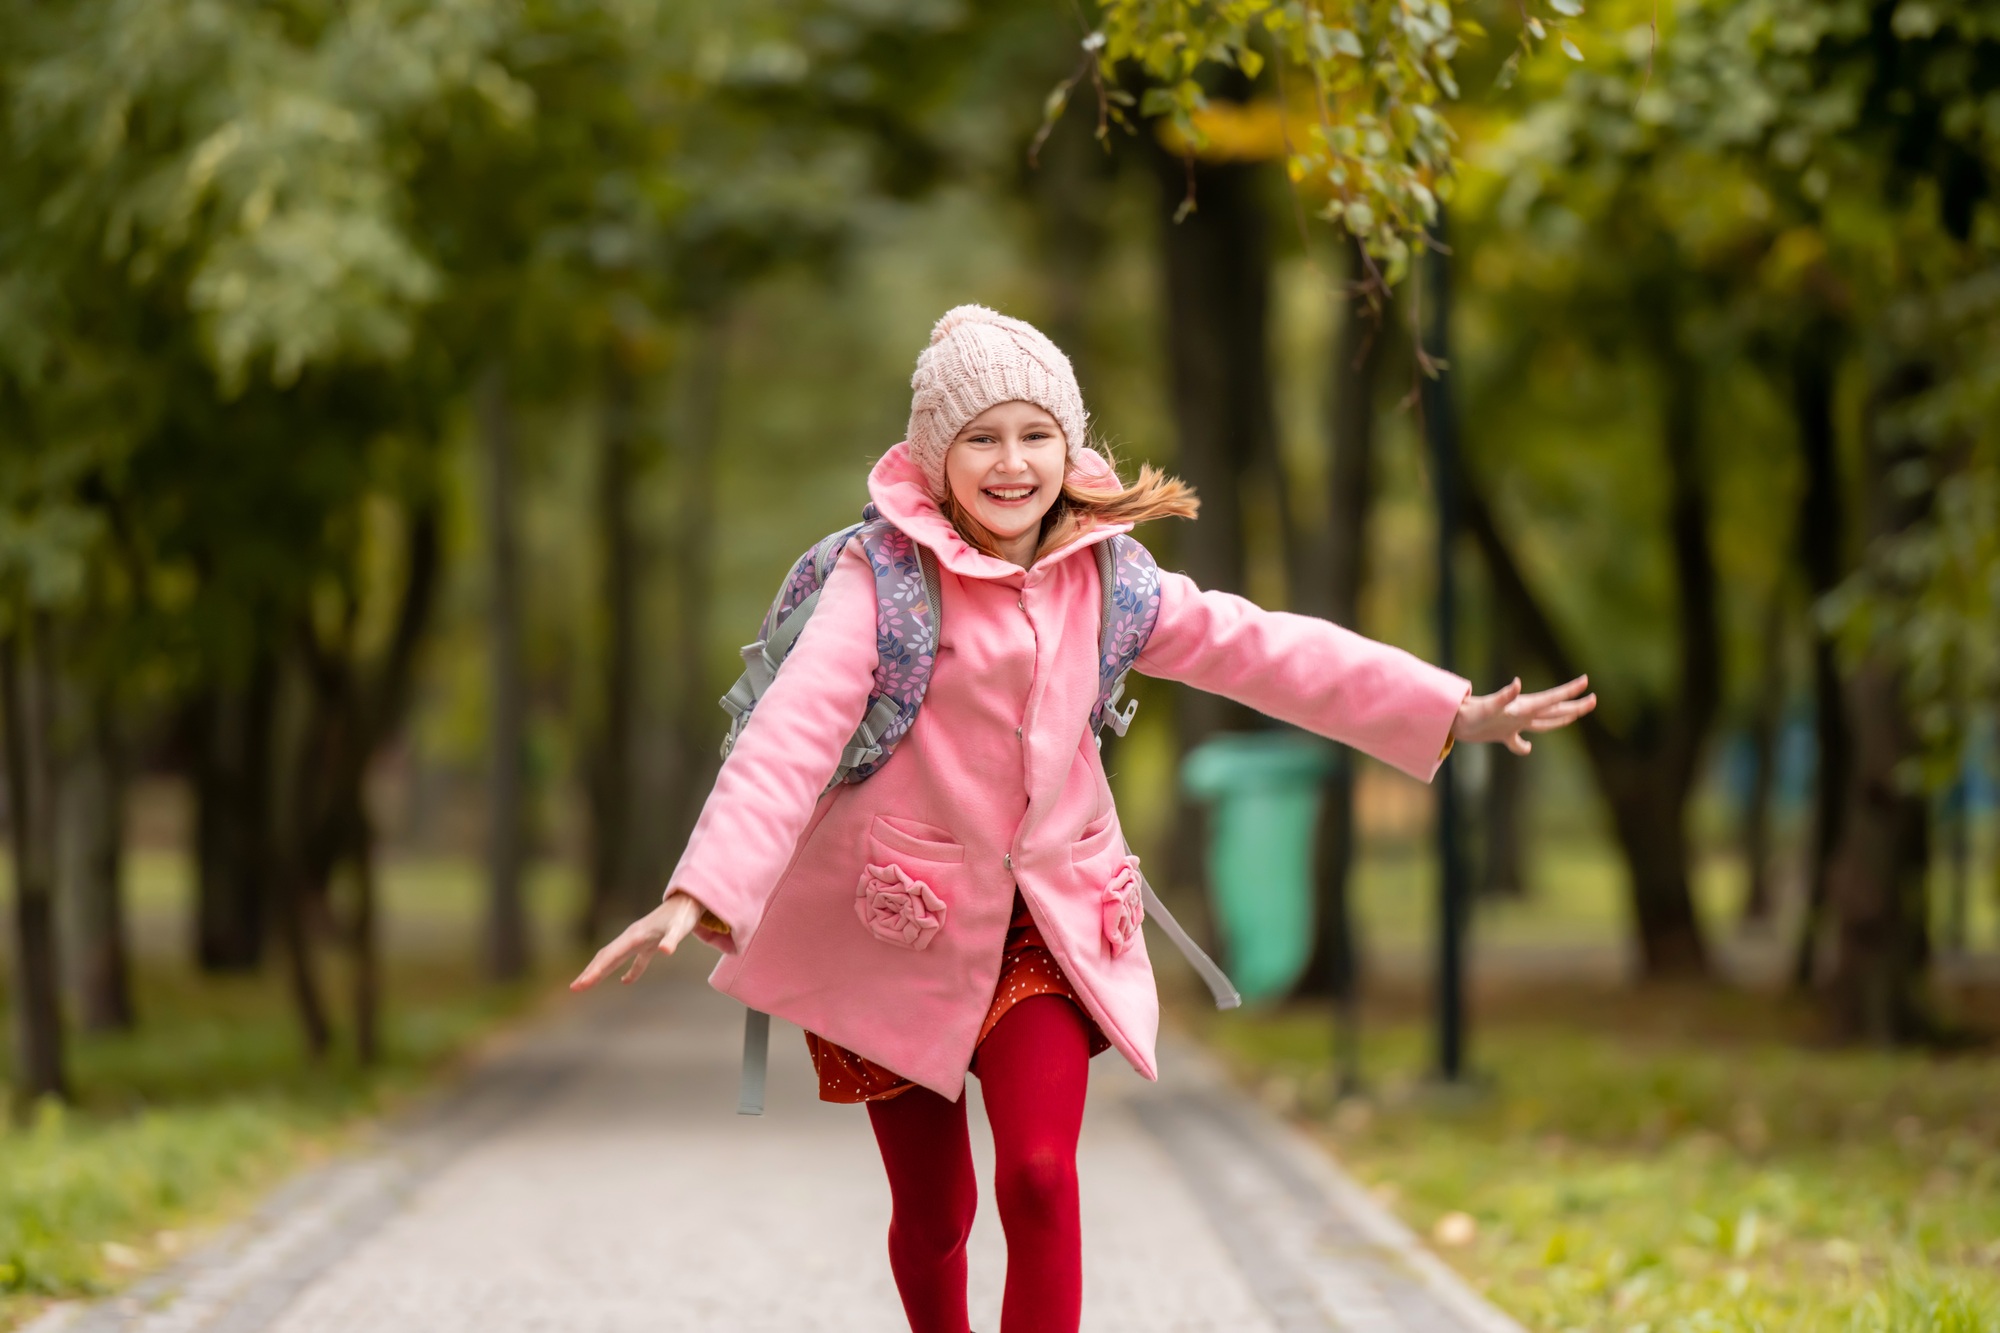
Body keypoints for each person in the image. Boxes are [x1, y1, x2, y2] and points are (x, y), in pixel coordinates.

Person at [571, 305, 1595, 1333]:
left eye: (1033, 434)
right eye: (981, 437)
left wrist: (1446, 711)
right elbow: (791, 732)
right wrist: (697, 890)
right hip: (897, 922)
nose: (1010, 463)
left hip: (1043, 920)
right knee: (935, 1215)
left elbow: (1263, 649)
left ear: (1068, 445)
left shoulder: (1108, 575)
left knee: (1037, 1175)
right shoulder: (880, 581)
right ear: (936, 454)